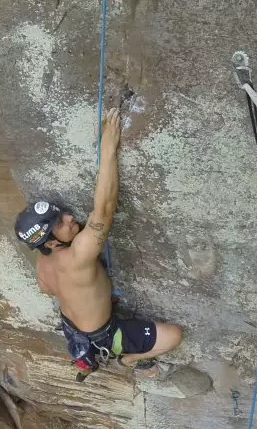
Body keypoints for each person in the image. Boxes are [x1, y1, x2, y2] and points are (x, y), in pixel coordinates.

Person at [14, 108, 182, 376]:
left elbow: (48, 289)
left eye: (62, 215)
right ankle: (129, 360)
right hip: (104, 336)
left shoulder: (43, 264)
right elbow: (104, 207)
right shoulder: (78, 254)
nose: (69, 218)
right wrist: (109, 146)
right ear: (54, 243)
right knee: (173, 336)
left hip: (75, 329)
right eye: (61, 223)